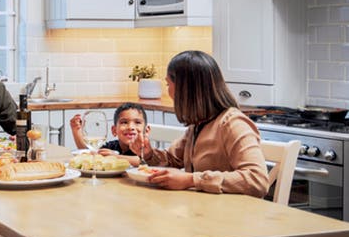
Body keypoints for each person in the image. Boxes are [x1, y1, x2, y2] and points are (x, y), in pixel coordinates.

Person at [129, 50, 269, 197]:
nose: (168, 92)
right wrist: (149, 153)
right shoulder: (198, 124)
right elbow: (173, 159)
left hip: (231, 214)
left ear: (185, 89)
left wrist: (191, 180)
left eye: (168, 84)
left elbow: (257, 180)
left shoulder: (233, 124)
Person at [70, 103, 150, 167]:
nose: (130, 127)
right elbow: (90, 150)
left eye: (137, 122)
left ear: (146, 131)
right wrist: (76, 130)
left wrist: (116, 157)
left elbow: (143, 161)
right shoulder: (113, 146)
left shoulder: (146, 150)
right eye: (124, 122)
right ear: (114, 130)